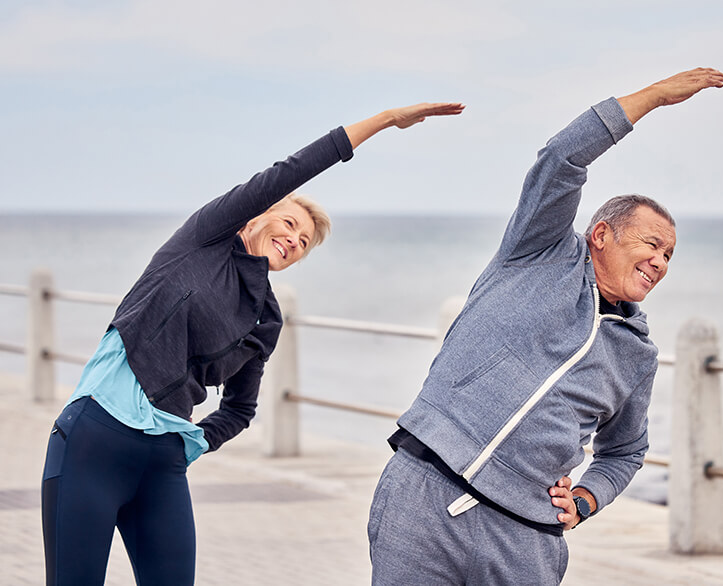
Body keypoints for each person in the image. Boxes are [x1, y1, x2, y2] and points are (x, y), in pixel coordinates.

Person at [40, 101, 464, 586]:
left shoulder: (265, 316)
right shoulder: (203, 240)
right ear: (258, 215)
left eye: (304, 242)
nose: (294, 240)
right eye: (288, 224)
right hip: (95, 438)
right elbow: (295, 168)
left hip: (161, 464)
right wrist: (386, 121)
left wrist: (190, 443)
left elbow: (241, 409)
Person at [368, 68, 723, 585]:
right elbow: (561, 158)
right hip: (424, 495)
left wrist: (585, 499)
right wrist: (652, 98)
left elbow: (625, 451)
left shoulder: (636, 353)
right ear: (601, 234)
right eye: (651, 244)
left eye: (669, 255)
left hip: (525, 538)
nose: (661, 262)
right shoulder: (537, 253)